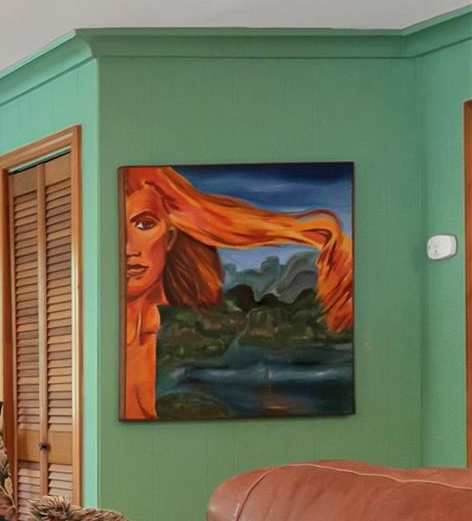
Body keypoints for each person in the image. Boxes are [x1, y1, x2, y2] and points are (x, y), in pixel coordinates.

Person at [121, 166, 352, 419]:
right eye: (117, 229)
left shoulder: (149, 319)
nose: (129, 247)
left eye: (144, 224)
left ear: (170, 237)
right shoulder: (124, 323)